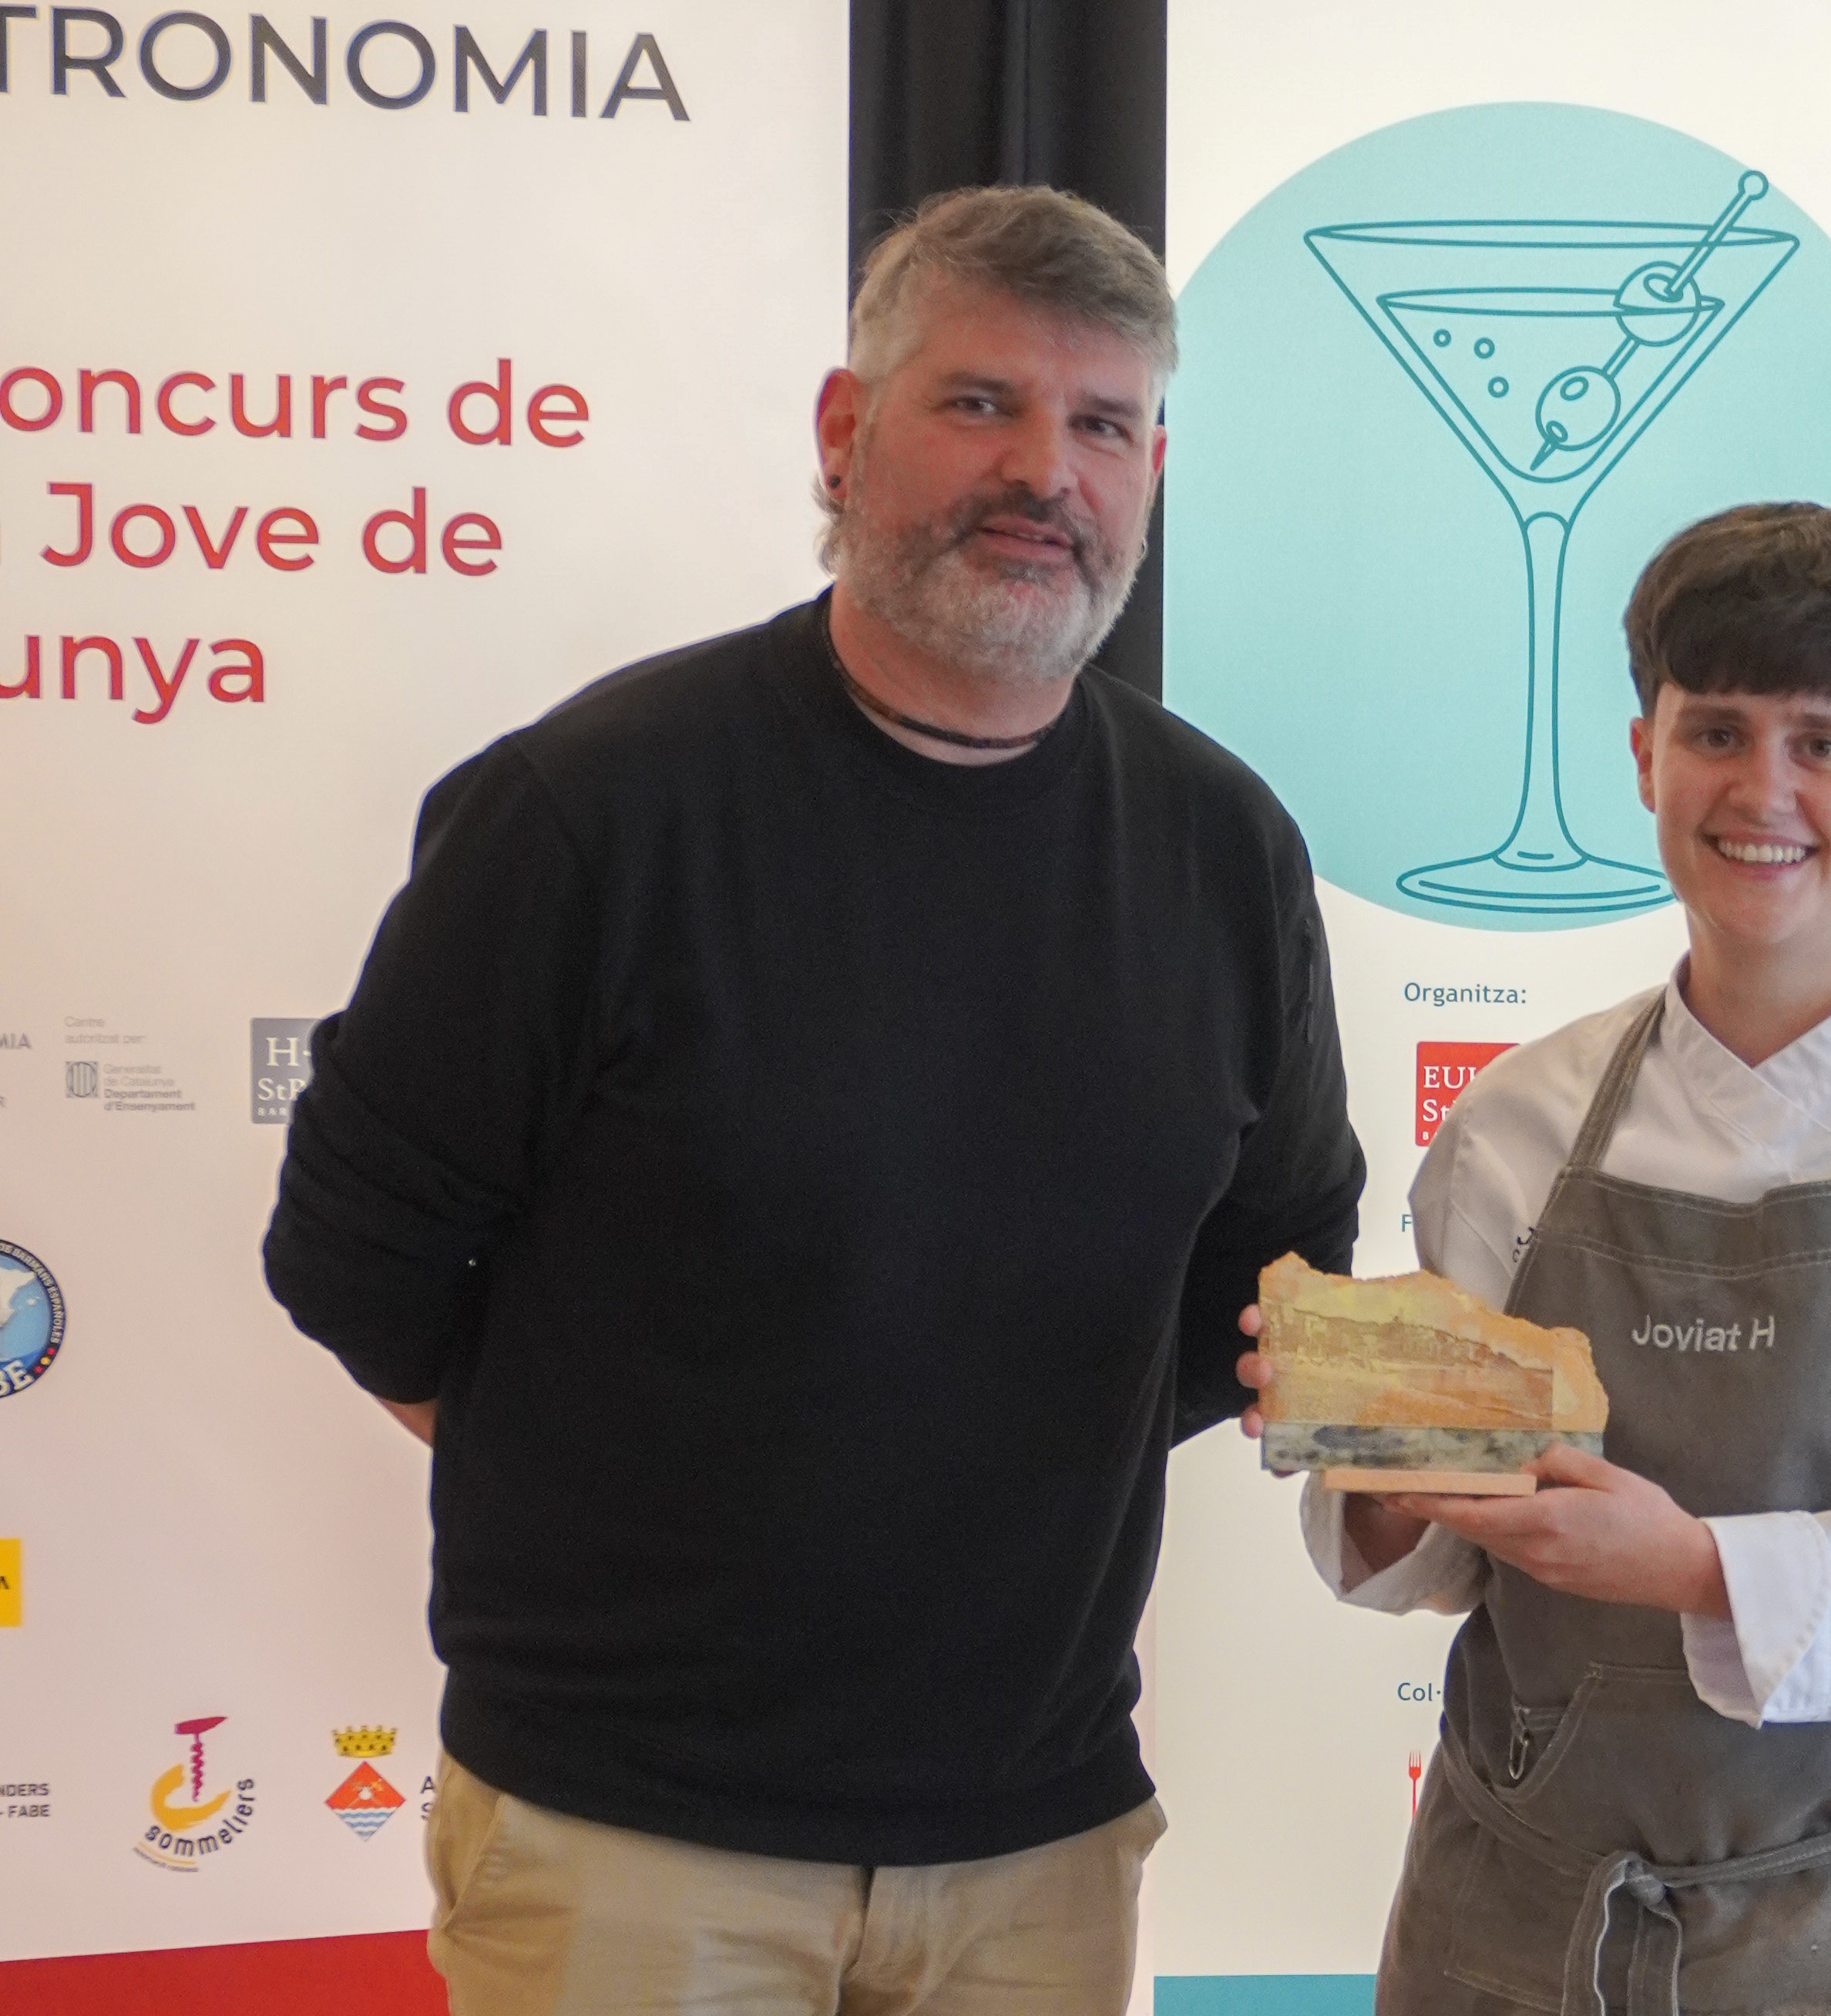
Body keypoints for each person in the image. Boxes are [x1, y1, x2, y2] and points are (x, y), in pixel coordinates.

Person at [264, 185, 1363, 2016]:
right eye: (979, 403)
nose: (1046, 471)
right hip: (627, 1841)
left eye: (1102, 425)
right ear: (844, 432)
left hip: (1036, 1846)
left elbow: (1272, 1282)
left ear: (1152, 471)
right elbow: (353, 1262)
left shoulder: (1222, 847)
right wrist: (623, 1478)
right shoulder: (591, 813)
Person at [1242, 503, 1831, 2016]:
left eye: (1823, 743)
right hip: (1523, 1914)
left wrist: (1695, 1570)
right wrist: (1377, 1462)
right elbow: (1443, 1560)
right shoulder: (1518, 1119)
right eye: (1717, 732)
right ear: (1643, 756)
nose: (1763, 790)